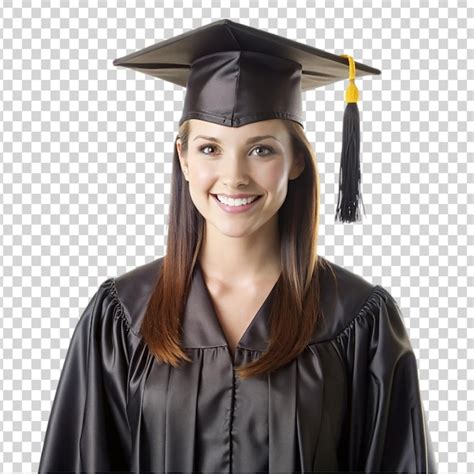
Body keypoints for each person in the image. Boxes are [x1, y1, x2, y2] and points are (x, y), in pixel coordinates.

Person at [38, 19, 437, 473]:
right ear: (183, 158)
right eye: (210, 149)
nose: (234, 177)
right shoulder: (124, 315)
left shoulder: (358, 319)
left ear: (297, 162)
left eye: (261, 150)